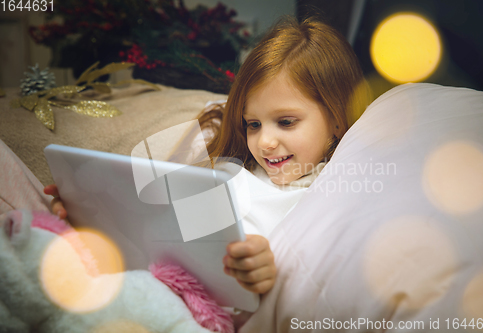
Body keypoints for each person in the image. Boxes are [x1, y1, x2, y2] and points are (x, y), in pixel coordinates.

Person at [44, 17, 371, 296]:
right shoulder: (233, 173)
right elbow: (163, 236)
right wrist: (91, 213)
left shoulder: (333, 190)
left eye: (286, 122)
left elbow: (311, 270)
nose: (265, 141)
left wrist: (267, 274)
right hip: (156, 284)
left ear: (336, 117)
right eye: (253, 124)